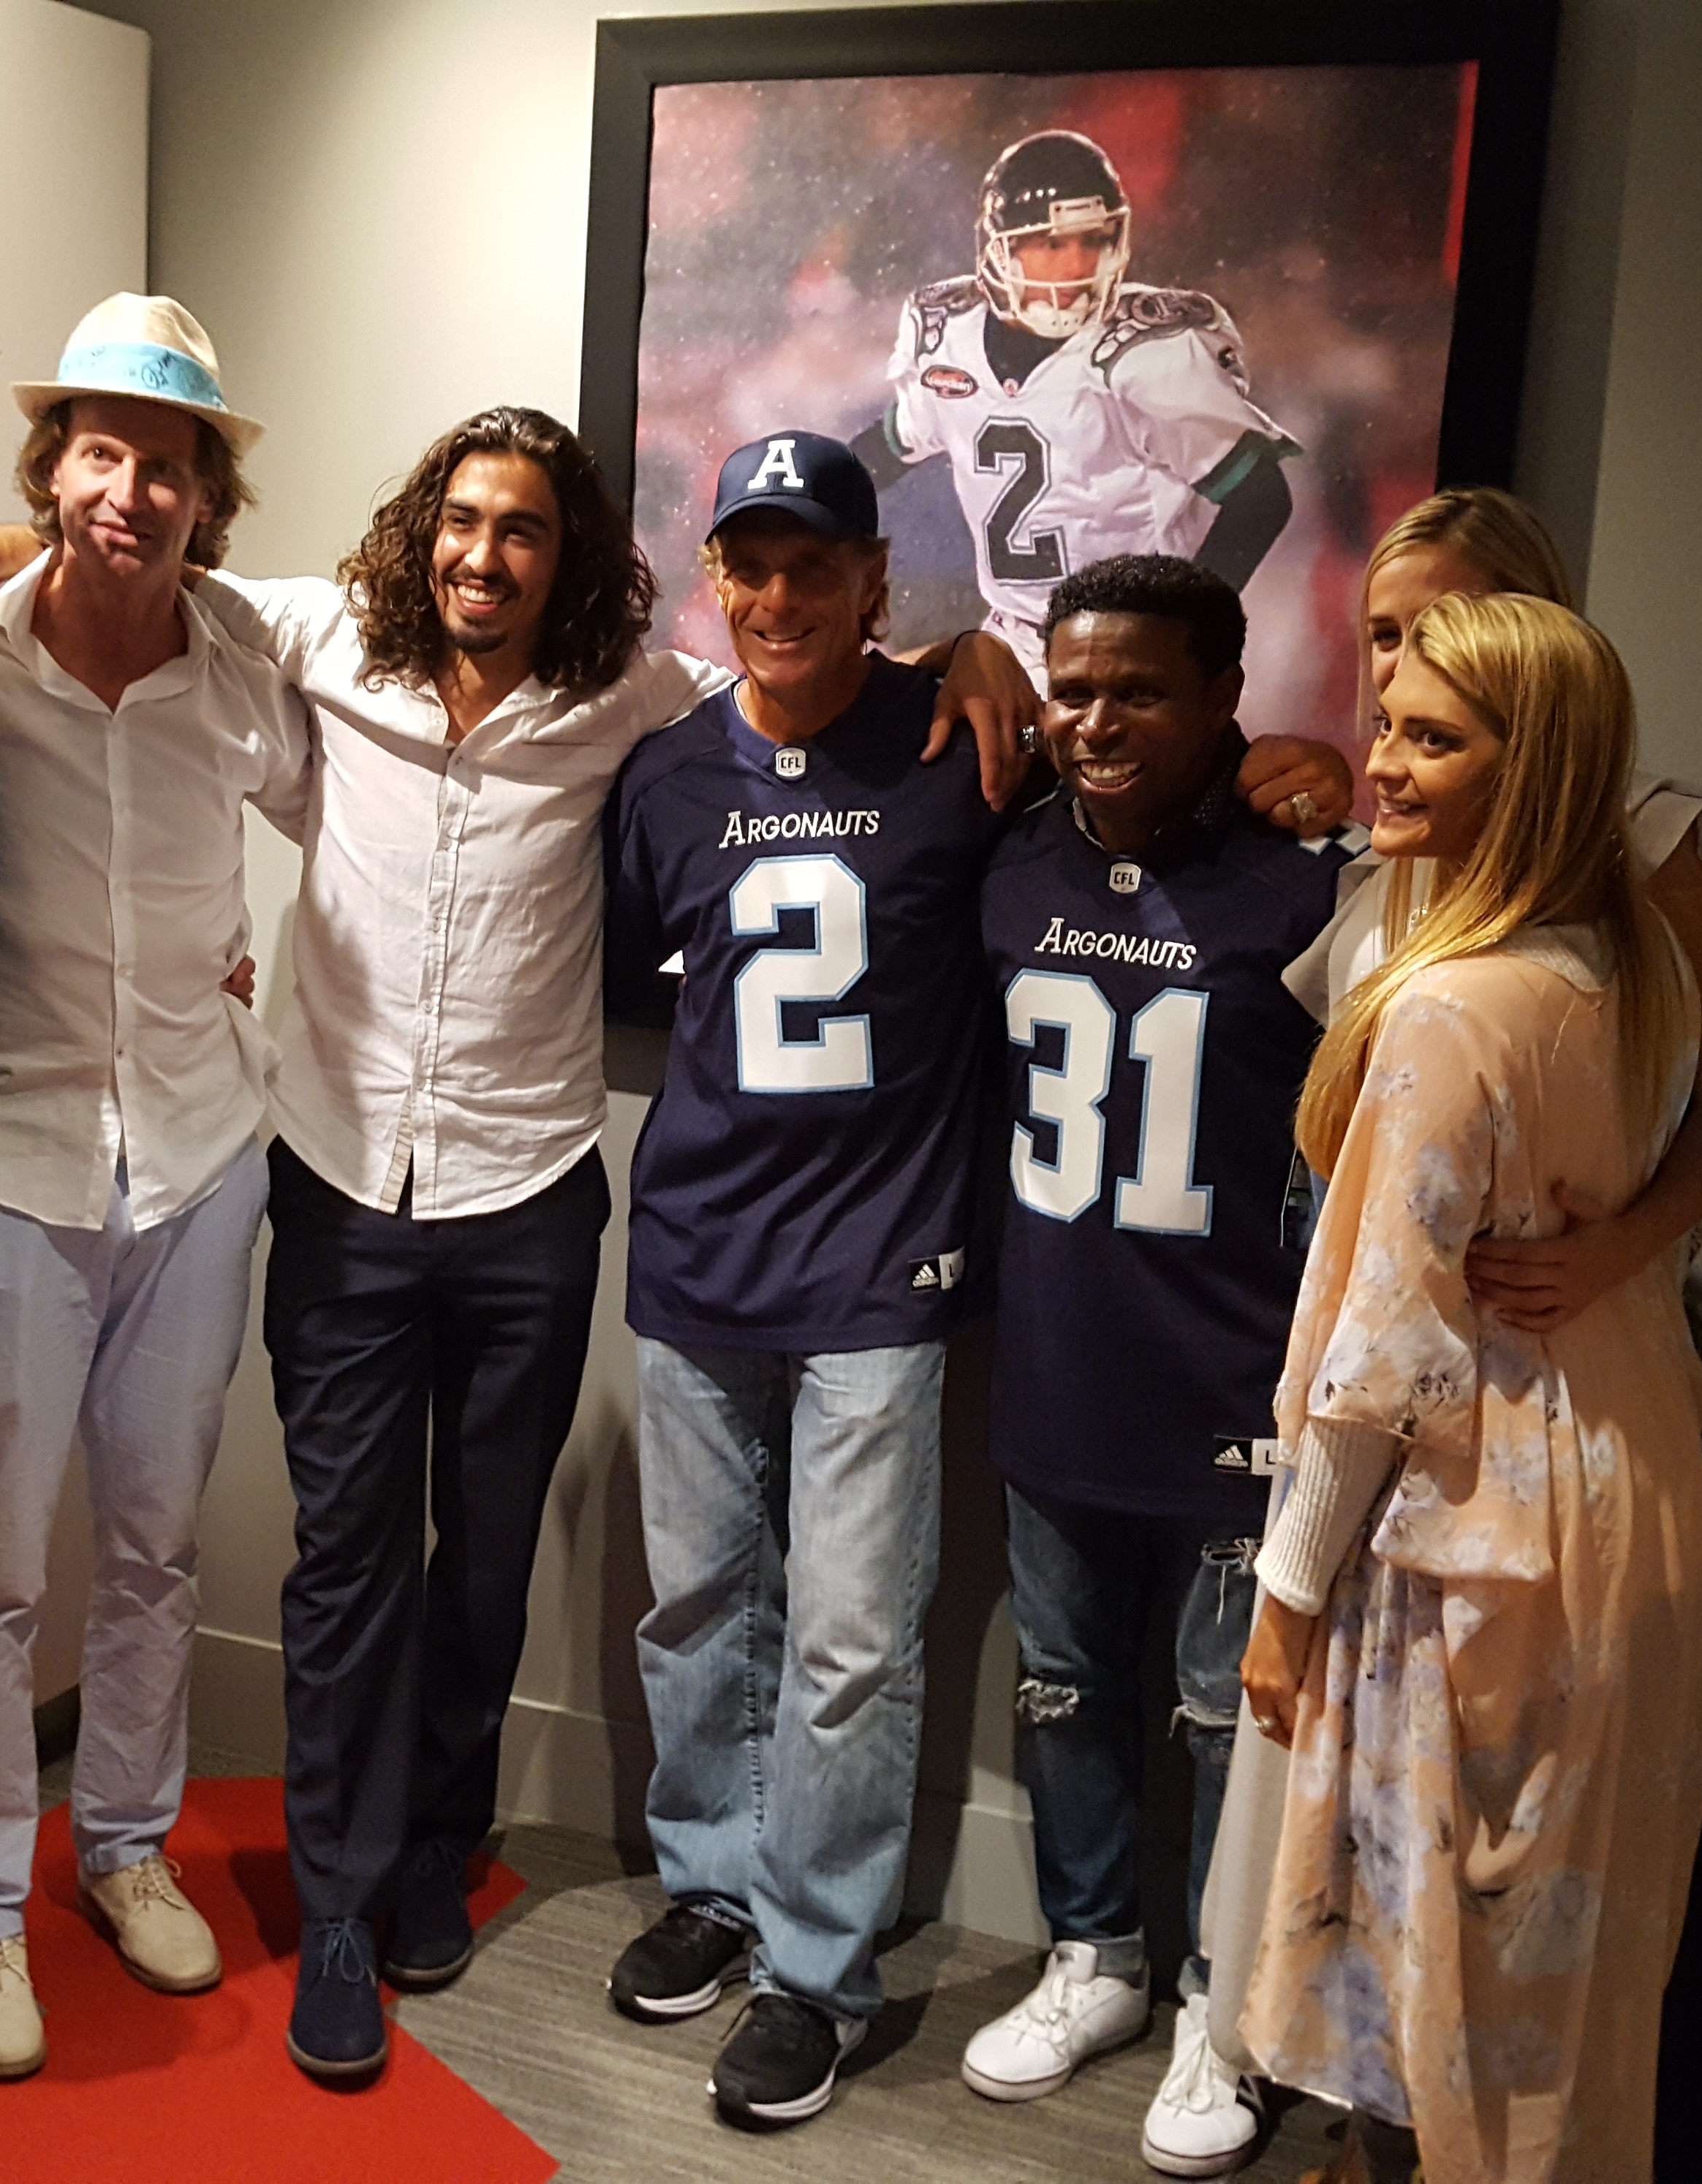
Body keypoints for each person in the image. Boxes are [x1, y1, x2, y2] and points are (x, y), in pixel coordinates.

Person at [0, 406, 1040, 2085]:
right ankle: (340, 1904)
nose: (483, 554)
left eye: (522, 528)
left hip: (526, 1192)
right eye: (459, 519)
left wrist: (974, 652)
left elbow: (813, 668)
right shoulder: (320, 640)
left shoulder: (632, 698)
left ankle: (435, 1846)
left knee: (487, 1560)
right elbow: (132, 557)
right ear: (418, 530)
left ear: (565, 556)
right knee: (347, 1564)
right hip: (339, 1183)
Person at [1225, 590, 1702, 2183]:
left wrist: (1284, 1595)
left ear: (1539, 766)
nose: (1381, 759)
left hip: (1480, 1530)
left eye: (1433, 738)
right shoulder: (1640, 960)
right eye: (1386, 723)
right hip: (1635, 1498)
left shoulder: (1452, 1008)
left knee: (1426, 1968)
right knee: (1560, 1984)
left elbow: (1380, 1360)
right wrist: (1624, 1246)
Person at [0, 294, 311, 2085]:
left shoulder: (246, 662)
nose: (127, 492)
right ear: (49, 466)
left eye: (163, 465)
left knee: (155, 1543)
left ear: (207, 496)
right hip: (19, 1163)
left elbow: (363, 817)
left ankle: (127, 1843)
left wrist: (256, 969)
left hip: (201, 1157)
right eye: (97, 454)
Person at [598, 431, 1009, 2128]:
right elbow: (627, 973)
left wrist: (986, 658)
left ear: (871, 581)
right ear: (715, 580)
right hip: (699, 1241)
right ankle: (712, 1881)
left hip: (877, 1260)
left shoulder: (954, 746)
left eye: (812, 567)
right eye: (748, 566)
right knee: (697, 1605)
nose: (777, 598)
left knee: (847, 1636)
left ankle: (815, 1969)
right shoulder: (664, 775)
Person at [957, 556, 1348, 2178]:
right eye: (1072, 688)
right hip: (1057, 1356)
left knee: (1224, 1718)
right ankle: (1094, 1955)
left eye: (1139, 691)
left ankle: (1220, 2003)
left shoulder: (1303, 886)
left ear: (1223, 702)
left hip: (1234, 1378)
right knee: (1063, 1689)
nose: (1095, 720)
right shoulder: (1006, 856)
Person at [1288, 488, 1702, 1336]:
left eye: (1446, 619)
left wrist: (1618, 1251)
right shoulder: (1400, 830)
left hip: (1527, 1316)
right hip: (1368, 1283)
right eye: (1385, 634)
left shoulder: (1641, 833)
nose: (1409, 657)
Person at [844, 129, 1298, 678]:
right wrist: (803, 511)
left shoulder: (1141, 356)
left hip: (1123, 647)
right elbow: (884, 452)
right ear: (1001, 247)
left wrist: (1183, 629)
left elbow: (1261, 497)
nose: (1078, 263)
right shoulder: (951, 341)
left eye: (1093, 240)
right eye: (1053, 244)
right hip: (1010, 643)